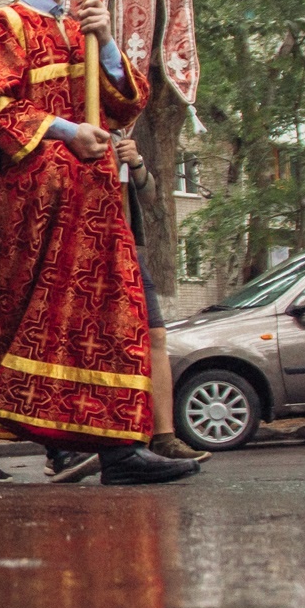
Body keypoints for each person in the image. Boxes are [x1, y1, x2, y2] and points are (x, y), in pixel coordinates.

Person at [0, 0, 200, 487]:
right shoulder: (1, 26)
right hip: (32, 205)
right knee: (10, 321)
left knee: (111, 318)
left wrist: (104, 43)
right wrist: (64, 131)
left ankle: (119, 451)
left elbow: (129, 102)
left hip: (97, 203)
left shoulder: (85, 28)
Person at [116, 135, 209, 465]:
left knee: (155, 335)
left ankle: (164, 437)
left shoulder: (122, 139)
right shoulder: (75, 128)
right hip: (85, 248)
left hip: (127, 251)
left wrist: (136, 162)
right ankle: (66, 447)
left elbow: (149, 194)